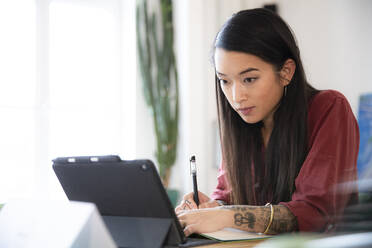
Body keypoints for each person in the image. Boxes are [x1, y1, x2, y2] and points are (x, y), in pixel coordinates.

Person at [175, 8, 359, 236]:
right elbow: (227, 195)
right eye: (225, 81)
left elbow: (313, 213)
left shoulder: (329, 108)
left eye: (249, 79)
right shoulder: (239, 122)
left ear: (286, 72)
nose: (235, 97)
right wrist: (210, 209)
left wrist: (227, 215)